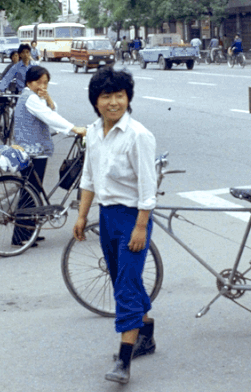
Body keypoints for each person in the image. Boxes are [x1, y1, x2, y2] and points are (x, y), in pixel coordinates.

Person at [72, 67, 157, 385]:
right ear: (96, 102)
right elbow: (89, 177)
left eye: (119, 96)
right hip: (107, 218)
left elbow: (148, 190)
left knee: (124, 286)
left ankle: (124, 360)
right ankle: (146, 335)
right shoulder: (93, 132)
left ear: (128, 98)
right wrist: (82, 216)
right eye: (106, 96)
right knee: (124, 278)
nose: (113, 102)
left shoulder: (139, 136)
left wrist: (140, 227)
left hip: (134, 218)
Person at [12, 65, 87, 246]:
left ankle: (29, 231)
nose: (43, 86)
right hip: (32, 152)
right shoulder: (30, 98)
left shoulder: (34, 97)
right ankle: (20, 235)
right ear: (29, 82)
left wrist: (48, 97)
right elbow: (49, 117)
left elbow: (51, 110)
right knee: (29, 192)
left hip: (33, 151)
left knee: (33, 191)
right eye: (39, 82)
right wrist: (73, 128)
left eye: (46, 83)